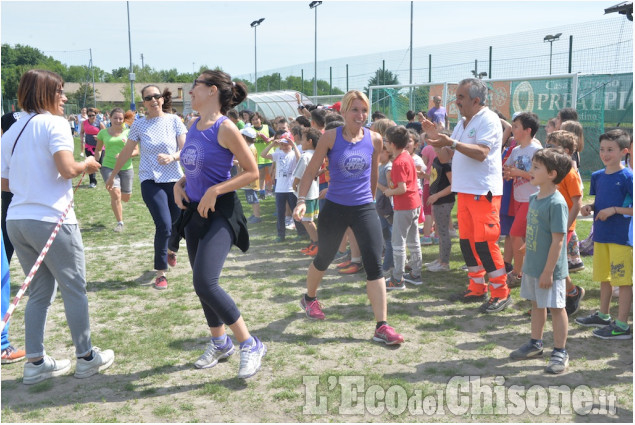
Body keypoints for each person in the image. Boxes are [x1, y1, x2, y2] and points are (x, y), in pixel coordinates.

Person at [1, 69, 114, 384]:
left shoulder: (10, 130)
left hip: (17, 221)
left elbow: (5, 182)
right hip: (50, 220)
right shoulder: (55, 124)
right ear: (45, 94)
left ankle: (35, 362)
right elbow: (67, 169)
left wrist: (33, 181)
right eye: (60, 91)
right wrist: (87, 165)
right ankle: (86, 356)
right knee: (74, 287)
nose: (65, 98)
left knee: (38, 291)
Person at [173, 70, 266, 378]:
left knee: (205, 282)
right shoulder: (193, 124)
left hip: (221, 212)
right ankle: (219, 342)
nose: (190, 92)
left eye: (194, 87)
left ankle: (249, 343)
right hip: (194, 212)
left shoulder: (225, 128)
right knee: (202, 287)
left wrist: (216, 189)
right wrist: (180, 183)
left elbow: (252, 172)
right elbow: (195, 166)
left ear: (211, 90)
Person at [293, 90, 404, 345]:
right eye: (355, 109)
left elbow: (374, 175)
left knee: (374, 264)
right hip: (335, 207)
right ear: (343, 112)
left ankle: (382, 326)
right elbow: (310, 173)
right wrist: (301, 201)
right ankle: (309, 298)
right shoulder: (330, 138)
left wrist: (373, 202)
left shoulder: (375, 139)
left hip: (363, 207)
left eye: (364, 110)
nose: (360, 115)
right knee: (324, 257)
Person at [422, 78, 511, 314]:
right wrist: (434, 137)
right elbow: (446, 155)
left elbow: (482, 153)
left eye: (460, 97)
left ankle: (501, 292)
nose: (456, 101)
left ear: (476, 100)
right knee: (467, 243)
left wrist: (451, 141)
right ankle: (476, 287)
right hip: (465, 192)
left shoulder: (488, 119)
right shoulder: (463, 123)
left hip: (484, 192)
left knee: (485, 243)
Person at [106, 85, 187, 290]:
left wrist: (172, 157)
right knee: (164, 225)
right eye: (148, 97)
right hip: (150, 180)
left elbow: (185, 149)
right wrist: (113, 174)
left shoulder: (174, 121)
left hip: (175, 180)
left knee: (177, 221)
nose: (153, 100)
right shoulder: (139, 125)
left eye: (156, 96)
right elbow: (126, 151)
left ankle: (171, 249)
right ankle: (161, 273)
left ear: (162, 99)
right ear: (143, 102)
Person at [509, 147, 572, 374]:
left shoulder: (556, 203)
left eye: (536, 167)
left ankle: (560, 351)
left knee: (556, 307)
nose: (530, 170)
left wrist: (548, 271)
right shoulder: (535, 198)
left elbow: (558, 241)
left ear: (552, 174)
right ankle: (535, 344)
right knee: (537, 304)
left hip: (549, 270)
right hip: (533, 266)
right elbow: (537, 229)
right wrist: (529, 246)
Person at [576, 129, 633, 340]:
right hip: (601, 236)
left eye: (611, 149)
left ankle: (622, 326)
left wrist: (615, 210)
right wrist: (590, 207)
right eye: (602, 149)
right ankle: (604, 315)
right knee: (604, 278)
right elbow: (601, 203)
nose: (605, 154)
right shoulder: (599, 176)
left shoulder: (628, 176)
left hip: (620, 238)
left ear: (624, 151)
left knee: (623, 281)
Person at [546, 131, 585, 316]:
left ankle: (568, 294)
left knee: (554, 264)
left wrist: (566, 225)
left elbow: (577, 202)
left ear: (567, 151)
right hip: (550, 224)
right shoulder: (552, 172)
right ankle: (570, 292)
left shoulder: (570, 173)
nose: (548, 150)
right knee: (552, 263)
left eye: (553, 146)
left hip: (564, 227)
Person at [502, 112, 542, 287]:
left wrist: (518, 173)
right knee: (525, 238)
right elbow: (507, 168)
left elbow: (539, 177)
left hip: (532, 199)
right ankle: (528, 272)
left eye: (516, 126)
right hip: (518, 199)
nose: (513, 129)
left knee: (515, 234)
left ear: (527, 130)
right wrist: (508, 173)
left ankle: (517, 273)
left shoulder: (536, 151)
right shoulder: (516, 150)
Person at [383, 125, 423, 289]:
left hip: (404, 205)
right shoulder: (407, 156)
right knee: (414, 240)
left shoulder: (399, 162)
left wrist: (388, 192)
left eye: (385, 141)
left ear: (392, 144)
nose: (384, 143)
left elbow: (402, 188)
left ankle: (397, 279)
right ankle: (415, 273)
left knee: (398, 243)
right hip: (414, 203)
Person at [95, 108, 137, 232]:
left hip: (126, 167)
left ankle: (119, 204)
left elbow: (136, 151)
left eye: (120, 118)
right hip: (108, 166)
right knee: (116, 194)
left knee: (125, 197)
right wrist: (95, 160)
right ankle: (120, 222)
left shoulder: (129, 132)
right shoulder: (103, 133)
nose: (118, 121)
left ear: (124, 119)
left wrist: (125, 154)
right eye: (115, 118)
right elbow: (98, 149)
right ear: (110, 118)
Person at [261, 131, 301, 242]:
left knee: (295, 211)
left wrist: (293, 145)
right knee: (280, 212)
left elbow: (299, 158)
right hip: (280, 189)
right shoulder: (278, 153)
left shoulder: (293, 153)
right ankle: (281, 235)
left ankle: (301, 232)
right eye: (282, 144)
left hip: (291, 188)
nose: (283, 146)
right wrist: (272, 144)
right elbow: (263, 155)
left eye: (286, 144)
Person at [426, 135, 455, 272]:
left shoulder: (447, 163)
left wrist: (436, 195)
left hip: (443, 201)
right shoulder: (438, 159)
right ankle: (440, 259)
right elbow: (437, 178)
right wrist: (424, 176)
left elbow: (453, 185)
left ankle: (444, 263)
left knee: (443, 232)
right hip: (437, 200)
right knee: (440, 230)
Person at [293, 128, 322, 256]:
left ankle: (317, 244)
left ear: (310, 141)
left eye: (303, 139)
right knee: (309, 220)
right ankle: (313, 243)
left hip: (306, 195)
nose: (301, 142)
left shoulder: (305, 156)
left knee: (306, 220)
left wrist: (294, 185)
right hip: (314, 192)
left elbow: (299, 176)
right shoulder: (317, 155)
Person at [239, 127, 262, 224]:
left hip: (250, 177)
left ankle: (257, 216)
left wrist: (238, 163)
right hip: (248, 176)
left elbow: (249, 162)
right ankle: (254, 214)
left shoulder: (250, 149)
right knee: (250, 196)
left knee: (253, 197)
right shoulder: (250, 147)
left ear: (244, 137)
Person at [79, 107, 106, 188]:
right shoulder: (84, 123)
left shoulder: (99, 123)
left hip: (99, 146)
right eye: (89, 115)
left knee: (100, 163)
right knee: (90, 164)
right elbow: (81, 132)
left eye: (93, 115)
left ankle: (108, 179)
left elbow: (106, 133)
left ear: (96, 115)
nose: (91, 117)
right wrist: (82, 138)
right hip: (88, 146)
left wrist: (98, 136)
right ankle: (92, 182)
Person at [251, 112, 274, 198]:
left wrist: (269, 139)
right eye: (253, 120)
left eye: (256, 119)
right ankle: (262, 193)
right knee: (261, 176)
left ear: (261, 119)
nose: (255, 121)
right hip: (258, 156)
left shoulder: (267, 127)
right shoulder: (251, 130)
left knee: (271, 174)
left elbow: (276, 136)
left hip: (269, 155)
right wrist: (254, 137)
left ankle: (271, 191)